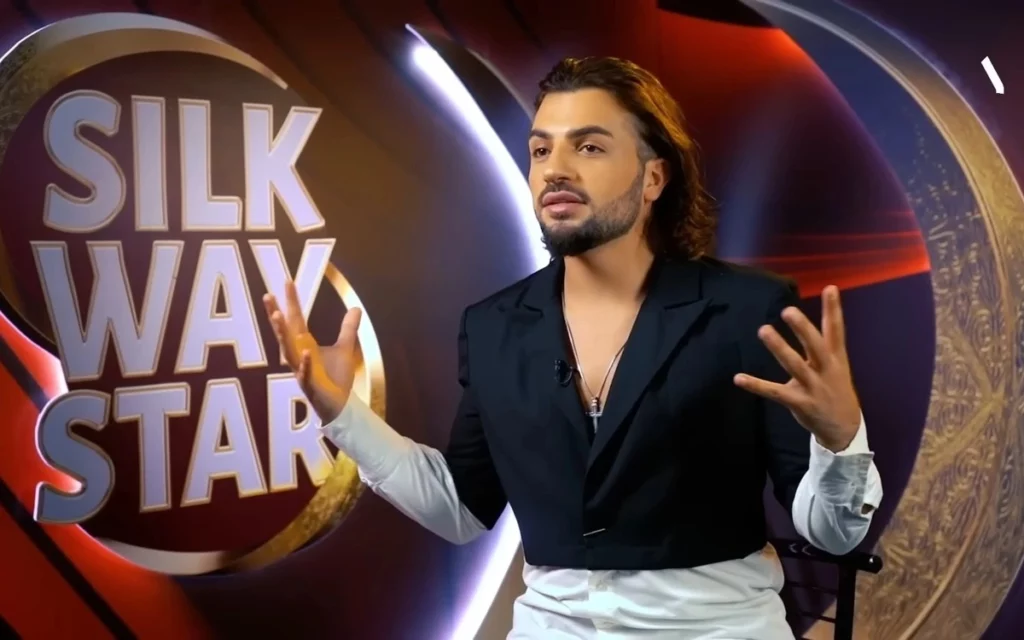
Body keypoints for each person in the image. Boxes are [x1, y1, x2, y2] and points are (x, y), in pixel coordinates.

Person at [264, 56, 883, 639]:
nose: (555, 168)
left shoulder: (747, 311)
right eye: (541, 149)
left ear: (653, 177)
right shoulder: (493, 326)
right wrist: (343, 411)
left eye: (589, 146)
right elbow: (460, 510)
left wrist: (841, 440)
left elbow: (833, 534)